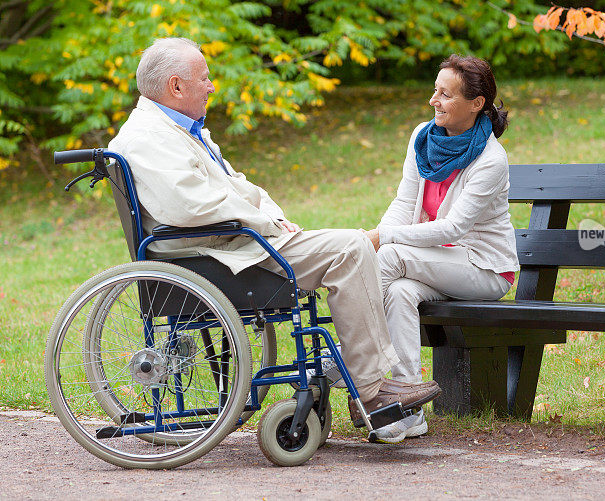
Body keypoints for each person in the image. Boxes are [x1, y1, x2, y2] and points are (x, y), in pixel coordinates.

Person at [109, 37, 440, 429]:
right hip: (214, 255)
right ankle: (370, 391)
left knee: (348, 248)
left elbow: (237, 186)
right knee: (352, 247)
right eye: (205, 78)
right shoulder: (148, 137)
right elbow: (193, 206)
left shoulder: (176, 129)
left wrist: (272, 215)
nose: (212, 86)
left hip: (232, 243)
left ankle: (363, 381)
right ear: (176, 86)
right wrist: (263, 222)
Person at [363, 55, 519, 443]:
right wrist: (382, 231)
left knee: (391, 254)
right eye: (435, 90)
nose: (434, 100)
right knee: (399, 291)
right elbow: (404, 204)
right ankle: (408, 408)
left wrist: (384, 239)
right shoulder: (423, 137)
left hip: (482, 269)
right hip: (434, 263)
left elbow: (454, 227)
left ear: (476, 104)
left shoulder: (490, 159)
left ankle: (354, 357)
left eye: (445, 94)